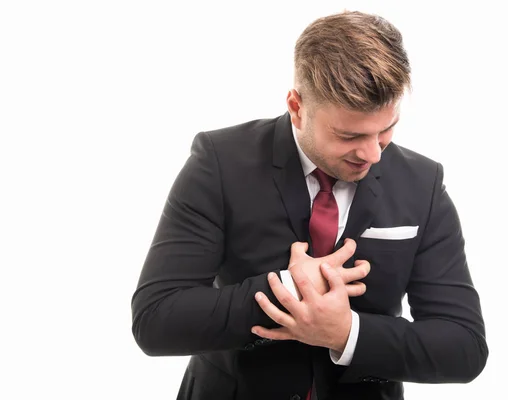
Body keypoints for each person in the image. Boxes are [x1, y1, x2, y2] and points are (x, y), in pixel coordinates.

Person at [131, 10, 488, 400]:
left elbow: (464, 347)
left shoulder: (423, 183)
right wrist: (290, 289)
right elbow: (156, 320)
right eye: (349, 135)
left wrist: (345, 334)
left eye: (386, 129)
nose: (373, 154)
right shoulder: (219, 162)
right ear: (297, 107)